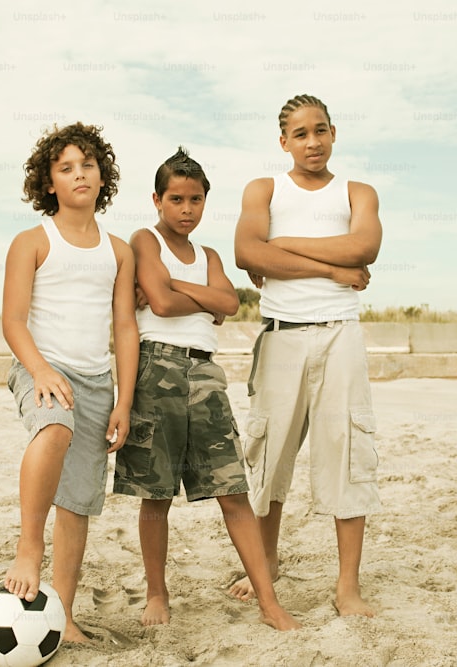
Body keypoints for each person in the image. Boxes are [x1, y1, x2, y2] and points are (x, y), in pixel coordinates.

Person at [112, 148, 301, 631]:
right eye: (176, 199)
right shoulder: (143, 239)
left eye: (195, 200)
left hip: (205, 374)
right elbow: (160, 303)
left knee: (232, 489)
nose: (186, 209)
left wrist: (180, 286)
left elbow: (231, 302)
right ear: (157, 199)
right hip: (157, 369)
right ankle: (157, 593)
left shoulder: (211, 255)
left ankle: (267, 600)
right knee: (155, 495)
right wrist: (193, 296)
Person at [230, 94, 382, 617]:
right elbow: (248, 253)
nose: (312, 142)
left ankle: (347, 586)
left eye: (320, 131)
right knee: (269, 455)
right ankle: (266, 563)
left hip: (340, 334)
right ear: (283, 142)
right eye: (300, 134)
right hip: (282, 335)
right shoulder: (264, 189)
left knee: (346, 452)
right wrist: (333, 268)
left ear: (334, 133)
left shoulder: (357, 191)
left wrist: (286, 245)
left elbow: (364, 248)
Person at [1, 122, 138, 643]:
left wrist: (123, 400)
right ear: (49, 183)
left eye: (87, 165)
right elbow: (13, 320)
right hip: (41, 366)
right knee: (53, 427)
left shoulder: (119, 251)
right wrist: (40, 370)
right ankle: (28, 546)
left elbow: (124, 326)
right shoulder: (31, 242)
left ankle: (64, 613)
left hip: (99, 381)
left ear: (102, 175)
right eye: (65, 168)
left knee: (78, 501)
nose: (79, 174)